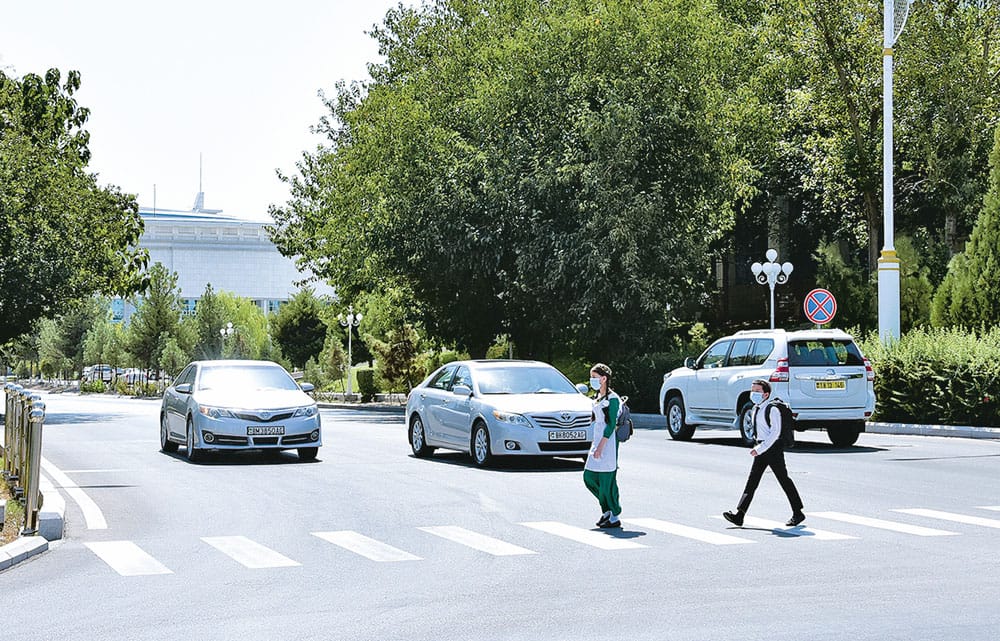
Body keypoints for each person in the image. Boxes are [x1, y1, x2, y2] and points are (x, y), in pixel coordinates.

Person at [723, 379, 805, 528]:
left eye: (757, 391)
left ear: (766, 394)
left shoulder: (772, 409)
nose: (753, 393)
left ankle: (798, 512)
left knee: (783, 479)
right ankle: (739, 515)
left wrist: (760, 448)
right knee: (752, 481)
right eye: (752, 390)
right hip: (761, 446)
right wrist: (758, 445)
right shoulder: (755, 408)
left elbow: (775, 432)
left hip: (772, 448)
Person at [583, 363, 624, 529]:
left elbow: (611, 424)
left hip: (608, 443)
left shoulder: (613, 398)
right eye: (591, 377)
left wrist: (601, 446)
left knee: (607, 481)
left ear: (604, 378)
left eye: (594, 377)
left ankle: (614, 514)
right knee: (589, 477)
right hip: (597, 440)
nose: (592, 380)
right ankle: (606, 509)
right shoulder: (597, 397)